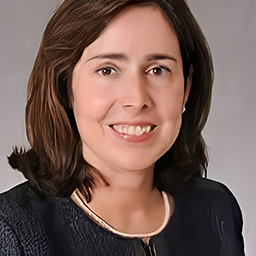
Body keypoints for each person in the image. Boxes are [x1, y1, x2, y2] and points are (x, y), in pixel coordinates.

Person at [0, 0, 245, 255]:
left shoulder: (217, 209)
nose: (137, 99)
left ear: (187, 87)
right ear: (65, 86)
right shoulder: (11, 228)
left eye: (158, 70)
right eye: (107, 70)